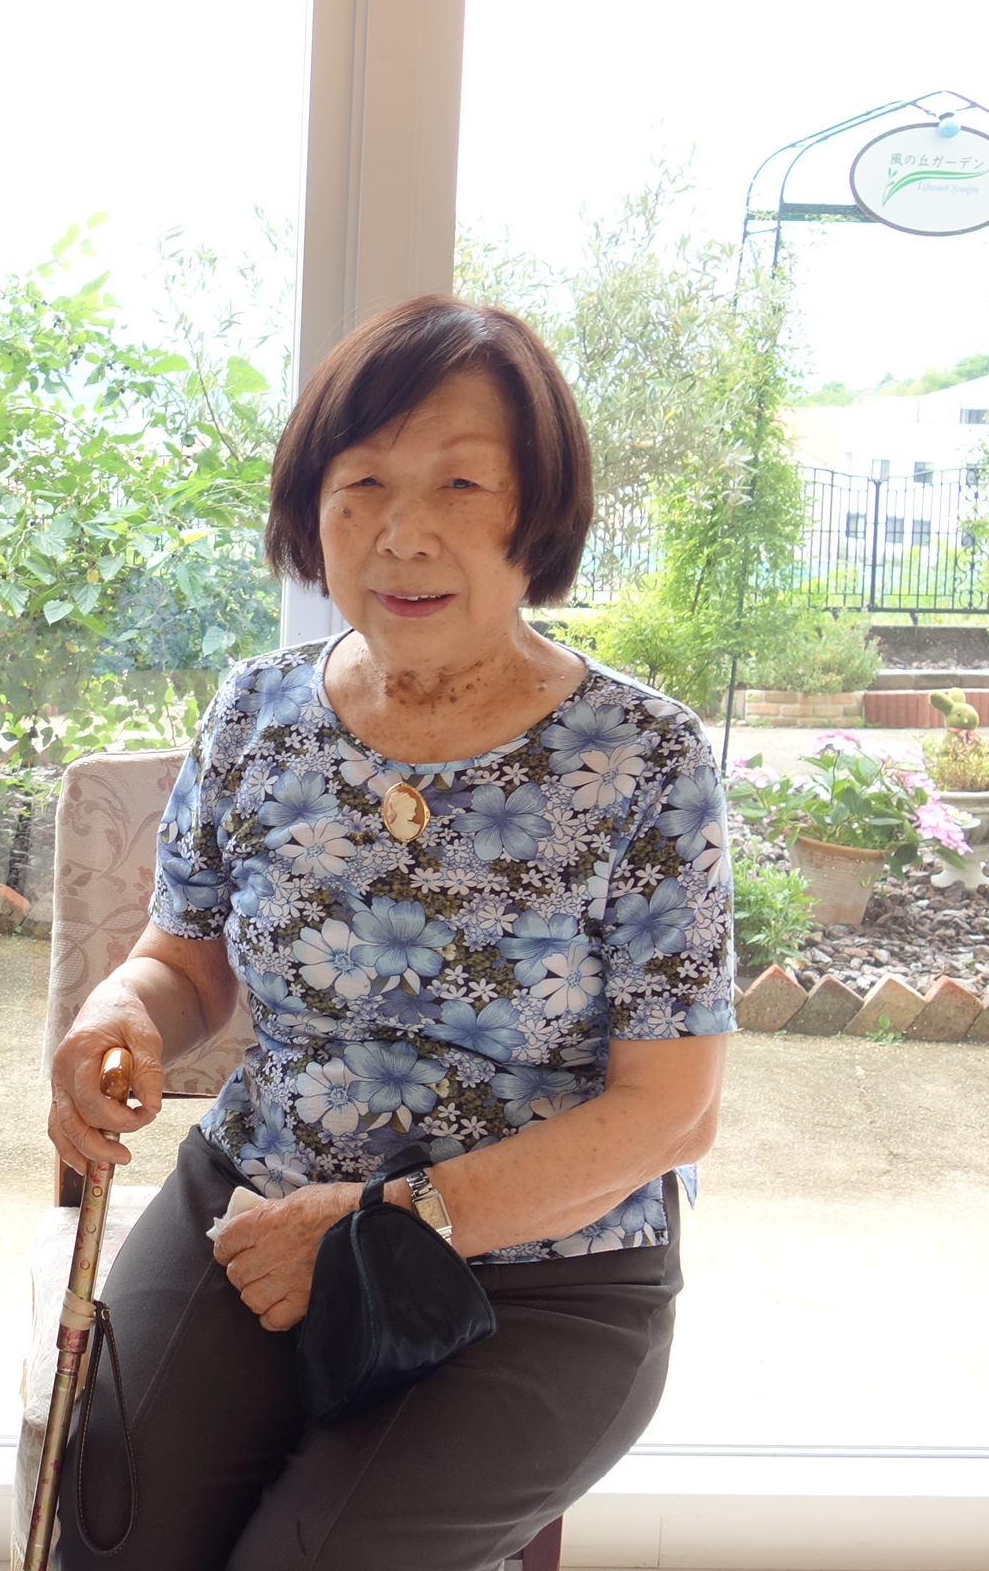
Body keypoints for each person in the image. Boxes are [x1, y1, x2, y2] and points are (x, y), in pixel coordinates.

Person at [46, 296, 733, 1571]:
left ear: (539, 511)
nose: (403, 535)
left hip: (543, 1270)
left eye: (461, 484)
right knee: (110, 1534)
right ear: (311, 509)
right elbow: (185, 957)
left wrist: (384, 1221)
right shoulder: (258, 713)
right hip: (256, 1209)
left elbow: (671, 1111)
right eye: (361, 484)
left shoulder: (643, 759)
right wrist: (122, 1014)